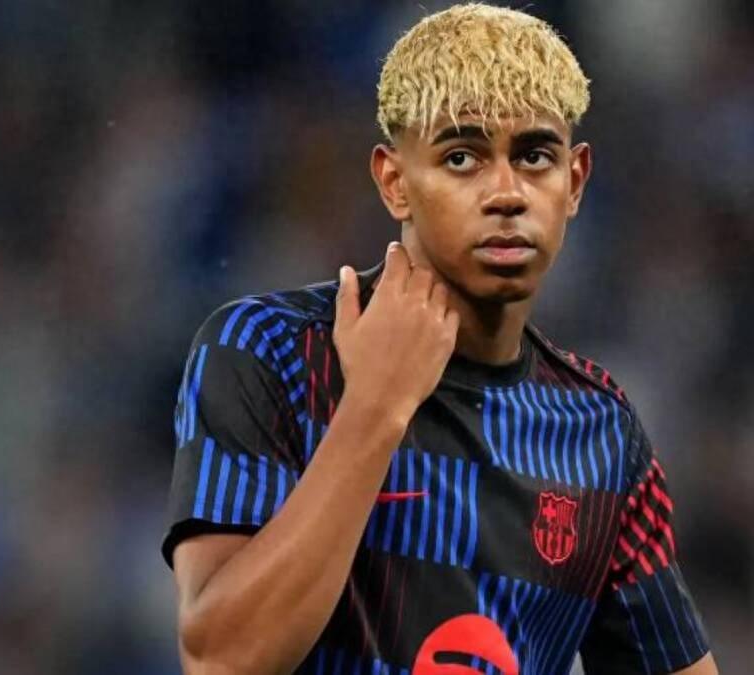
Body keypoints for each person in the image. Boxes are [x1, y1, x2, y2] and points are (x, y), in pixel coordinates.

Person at [162, 4, 717, 674]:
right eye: (462, 157)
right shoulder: (267, 350)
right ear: (394, 181)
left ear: (574, 182)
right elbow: (223, 659)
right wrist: (376, 409)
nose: (507, 193)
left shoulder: (599, 430)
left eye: (535, 156)